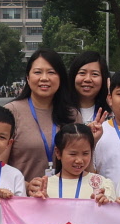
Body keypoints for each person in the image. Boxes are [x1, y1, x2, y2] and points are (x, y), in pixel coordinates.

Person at [7, 49, 75, 181]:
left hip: (64, 193)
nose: (44, 78)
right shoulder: (12, 112)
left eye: (51, 72)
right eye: (38, 72)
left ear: (60, 78)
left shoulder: (72, 115)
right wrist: (26, 186)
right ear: (28, 78)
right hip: (21, 192)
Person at [68, 52, 109, 129]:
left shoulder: (111, 113)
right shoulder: (61, 110)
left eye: (95, 74)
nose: (87, 79)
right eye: (82, 73)